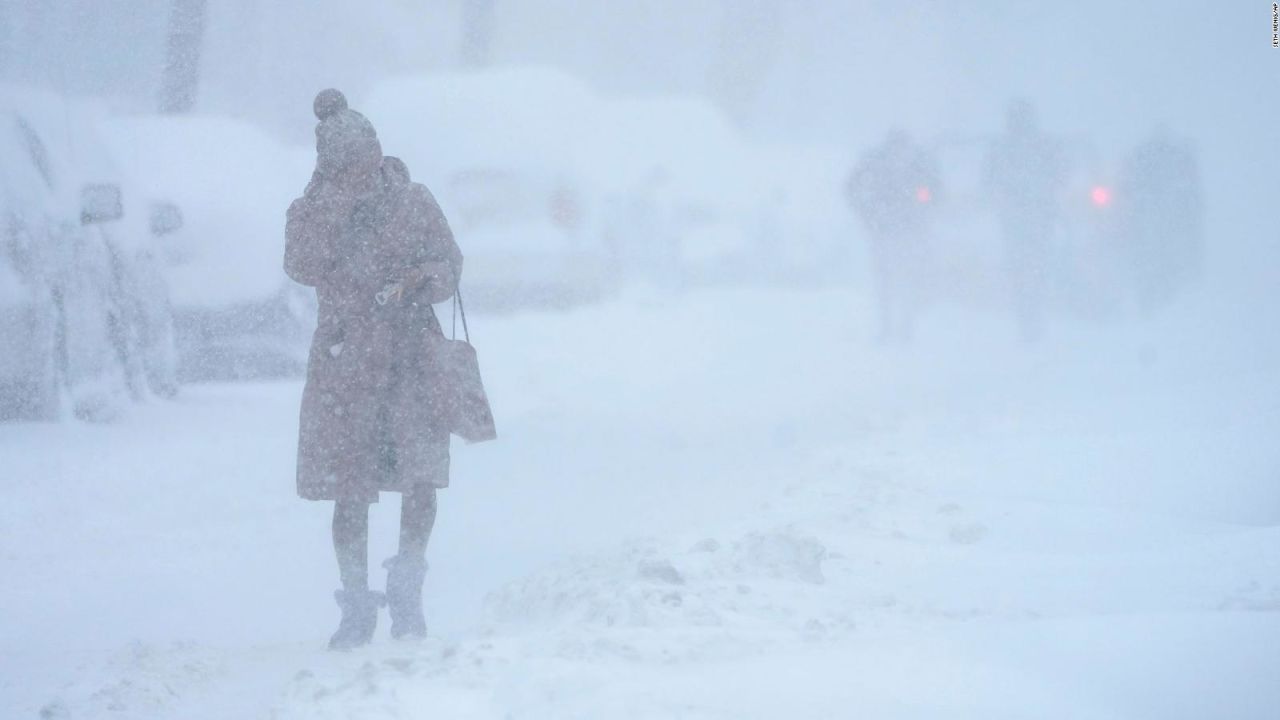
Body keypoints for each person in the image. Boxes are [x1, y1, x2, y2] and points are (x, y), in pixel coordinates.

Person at [284, 89, 463, 650]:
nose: (360, 171)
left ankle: (408, 590)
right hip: (346, 365)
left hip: (411, 359)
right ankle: (356, 604)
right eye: (347, 164)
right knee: (348, 488)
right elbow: (300, 266)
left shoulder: (414, 200)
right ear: (330, 165)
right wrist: (332, 207)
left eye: (365, 157)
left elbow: (449, 264)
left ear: (377, 150)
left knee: (420, 477)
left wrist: (419, 280)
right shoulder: (312, 209)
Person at [846, 128, 939, 343]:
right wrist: (866, 212)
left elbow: (929, 191)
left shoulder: (912, 166)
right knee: (891, 282)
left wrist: (921, 204)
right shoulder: (902, 164)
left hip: (899, 231)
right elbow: (852, 187)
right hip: (888, 231)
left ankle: (902, 328)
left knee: (901, 281)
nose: (899, 154)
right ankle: (891, 328)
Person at [984, 99, 1065, 343]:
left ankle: (1028, 318)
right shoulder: (1044, 147)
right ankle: (1032, 318)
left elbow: (987, 182)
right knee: (1033, 268)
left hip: (1020, 220)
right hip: (1036, 219)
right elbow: (1061, 175)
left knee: (1022, 269)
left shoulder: (1002, 149)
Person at [1117, 125, 1203, 315]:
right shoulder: (1176, 162)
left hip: (1147, 218)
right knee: (1159, 255)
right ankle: (1160, 296)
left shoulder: (1144, 158)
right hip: (1161, 220)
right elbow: (1191, 195)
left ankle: (1150, 297)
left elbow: (1128, 185)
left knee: (1147, 255)